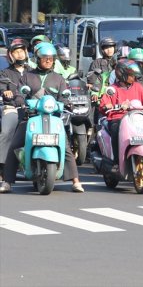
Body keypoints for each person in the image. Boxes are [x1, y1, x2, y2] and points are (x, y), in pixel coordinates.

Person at [0, 43, 84, 193]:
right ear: (37, 59)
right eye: (45, 58)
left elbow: (64, 96)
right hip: (30, 117)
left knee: (65, 146)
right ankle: (7, 181)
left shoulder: (59, 79)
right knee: (14, 145)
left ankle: (75, 181)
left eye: (51, 59)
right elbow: (19, 93)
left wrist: (66, 103)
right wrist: (20, 101)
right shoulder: (27, 76)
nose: (48, 61)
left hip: (53, 119)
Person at [101, 59, 143, 191]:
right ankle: (117, 162)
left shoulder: (138, 87)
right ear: (122, 74)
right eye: (131, 75)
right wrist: (111, 106)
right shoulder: (112, 89)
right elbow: (104, 105)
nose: (134, 78)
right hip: (118, 118)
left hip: (137, 119)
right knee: (116, 131)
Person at [0, 39, 32, 182]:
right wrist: (5, 92)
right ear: (11, 55)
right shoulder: (5, 73)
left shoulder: (33, 71)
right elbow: (2, 88)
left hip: (33, 109)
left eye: (22, 51)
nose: (20, 54)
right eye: (16, 51)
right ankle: (3, 167)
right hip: (12, 107)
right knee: (7, 132)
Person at [87, 36, 117, 103]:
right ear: (102, 50)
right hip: (100, 98)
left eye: (111, 47)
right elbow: (92, 81)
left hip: (117, 96)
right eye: (106, 48)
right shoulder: (96, 62)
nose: (109, 50)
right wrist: (94, 93)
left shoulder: (118, 62)